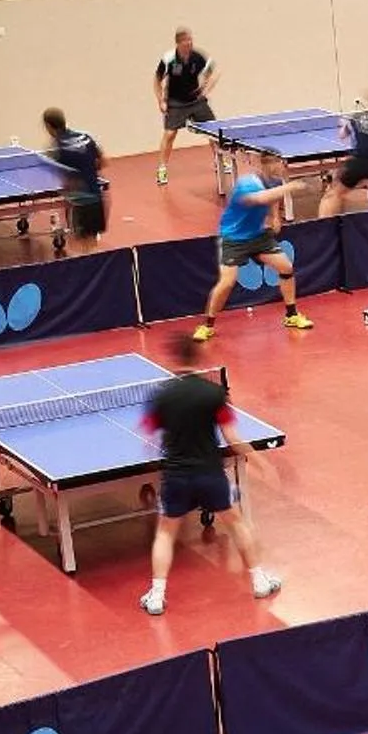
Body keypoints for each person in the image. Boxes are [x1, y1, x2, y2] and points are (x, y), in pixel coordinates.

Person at [136, 330, 279, 616]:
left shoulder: (163, 396)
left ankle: (157, 595)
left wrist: (149, 478)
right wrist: (260, 462)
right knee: (237, 523)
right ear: (198, 356)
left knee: (165, 533)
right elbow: (231, 437)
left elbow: (148, 439)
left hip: (176, 475)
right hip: (210, 474)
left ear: (173, 359)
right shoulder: (213, 393)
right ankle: (259, 580)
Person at [195, 154, 311, 341]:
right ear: (266, 165)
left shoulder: (273, 182)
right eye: (277, 162)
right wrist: (290, 186)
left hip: (258, 235)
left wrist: (275, 216)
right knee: (226, 283)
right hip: (234, 238)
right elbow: (258, 199)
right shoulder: (247, 183)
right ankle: (207, 325)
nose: (281, 166)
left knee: (286, 267)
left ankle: (291, 315)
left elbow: (272, 198)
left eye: (280, 162)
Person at [153, 29, 219, 186]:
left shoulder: (198, 56)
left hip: (196, 101)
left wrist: (206, 88)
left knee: (213, 131)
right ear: (178, 43)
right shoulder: (169, 59)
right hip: (176, 102)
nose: (189, 43)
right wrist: (161, 100)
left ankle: (220, 160)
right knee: (169, 134)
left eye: (190, 40)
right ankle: (162, 168)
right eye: (185, 41)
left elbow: (214, 72)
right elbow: (156, 80)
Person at [41, 108, 107, 252]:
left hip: (79, 202)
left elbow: (62, 179)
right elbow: (103, 162)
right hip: (96, 198)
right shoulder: (86, 137)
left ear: (48, 126)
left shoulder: (57, 148)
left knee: (78, 245)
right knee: (92, 243)